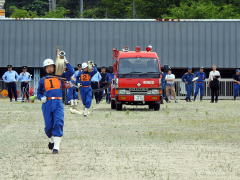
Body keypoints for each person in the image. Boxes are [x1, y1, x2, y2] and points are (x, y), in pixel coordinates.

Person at [37, 58, 73, 154]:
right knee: (48, 127)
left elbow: (71, 71)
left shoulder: (61, 77)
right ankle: (51, 140)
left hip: (58, 103)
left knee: (58, 123)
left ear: (54, 67)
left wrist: (65, 61)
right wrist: (41, 98)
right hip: (47, 104)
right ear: (45, 69)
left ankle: (56, 147)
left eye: (51, 66)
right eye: (47, 67)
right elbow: (38, 93)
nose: (50, 68)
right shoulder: (42, 80)